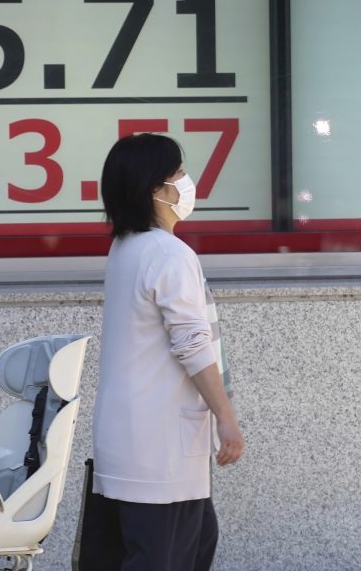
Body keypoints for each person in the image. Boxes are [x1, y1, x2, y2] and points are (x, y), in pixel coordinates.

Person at [88, 133, 244, 571]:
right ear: (156, 190)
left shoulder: (125, 248)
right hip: (161, 456)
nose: (185, 181)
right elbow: (193, 345)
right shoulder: (168, 253)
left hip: (130, 445)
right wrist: (227, 420)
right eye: (177, 173)